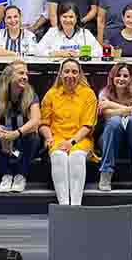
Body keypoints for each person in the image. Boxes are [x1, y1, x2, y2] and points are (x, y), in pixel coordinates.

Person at [39, 58, 98, 205]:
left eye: (74, 72)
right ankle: (64, 206)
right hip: (57, 137)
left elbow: (88, 126)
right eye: (66, 71)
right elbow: (43, 123)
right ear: (60, 74)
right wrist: (48, 137)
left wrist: (71, 142)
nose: (70, 75)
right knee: (59, 156)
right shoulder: (51, 94)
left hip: (80, 139)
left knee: (76, 157)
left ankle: (76, 205)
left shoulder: (88, 94)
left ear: (79, 75)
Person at [0, 60, 42, 193]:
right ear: (9, 76)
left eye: (26, 74)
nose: (25, 77)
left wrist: (16, 134)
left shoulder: (31, 94)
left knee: (33, 137)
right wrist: (3, 135)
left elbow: (35, 121)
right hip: (5, 138)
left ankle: (21, 175)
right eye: (21, 73)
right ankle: (6, 175)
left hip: (22, 137)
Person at [97, 62, 132, 192]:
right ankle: (106, 173)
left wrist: (111, 105)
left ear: (130, 78)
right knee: (114, 121)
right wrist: (126, 109)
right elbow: (105, 114)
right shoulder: (104, 93)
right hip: (110, 140)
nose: (121, 78)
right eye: (118, 75)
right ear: (112, 77)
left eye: (125, 75)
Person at [37, 2, 102, 57]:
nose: (68, 20)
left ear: (76, 17)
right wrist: (57, 53)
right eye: (64, 17)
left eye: (71, 17)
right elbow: (37, 50)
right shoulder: (52, 32)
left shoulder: (85, 33)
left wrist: (81, 54)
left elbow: (99, 51)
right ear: (59, 17)